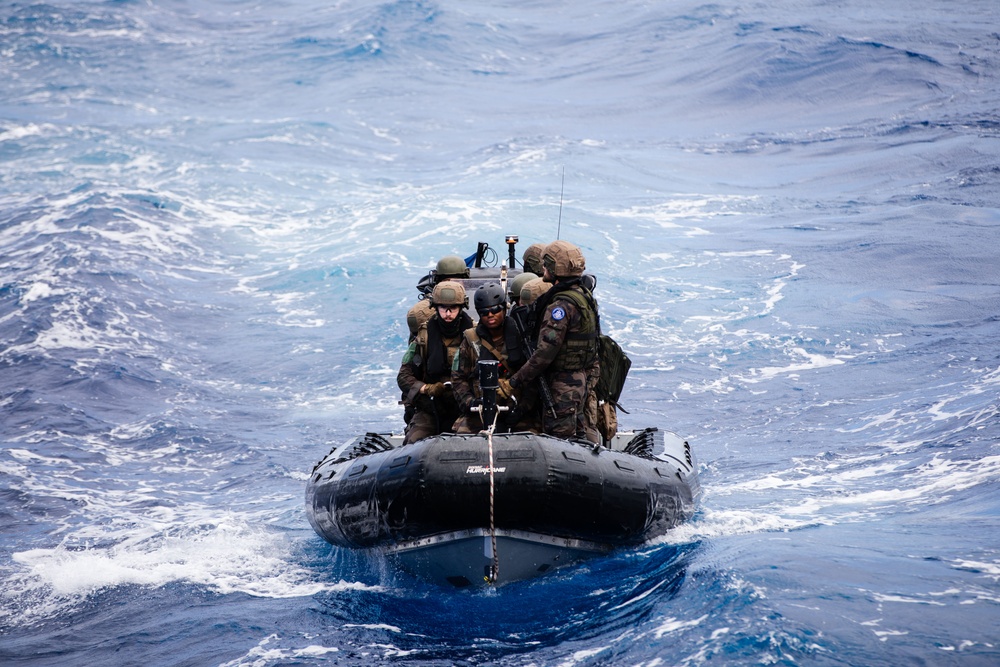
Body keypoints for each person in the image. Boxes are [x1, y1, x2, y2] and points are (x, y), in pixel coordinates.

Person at [501, 240, 600, 443]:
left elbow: (544, 354)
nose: (543, 268)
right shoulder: (583, 296)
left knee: (560, 440)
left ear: (556, 268)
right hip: (579, 380)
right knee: (579, 437)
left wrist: (515, 381)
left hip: (562, 385)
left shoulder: (561, 306)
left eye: (547, 264)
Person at [451, 282, 537, 434]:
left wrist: (522, 408)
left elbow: (533, 376)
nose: (490, 315)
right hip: (480, 411)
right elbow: (458, 378)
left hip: (518, 410)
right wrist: (471, 402)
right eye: (484, 312)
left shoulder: (521, 338)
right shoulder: (470, 340)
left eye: (495, 309)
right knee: (462, 438)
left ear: (504, 308)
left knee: (531, 437)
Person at [397, 280, 474, 444]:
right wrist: (427, 389)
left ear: (461, 308)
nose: (447, 314)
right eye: (443, 308)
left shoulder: (475, 336)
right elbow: (404, 375)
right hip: (432, 407)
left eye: (452, 309)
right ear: (435, 307)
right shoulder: (424, 337)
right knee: (413, 441)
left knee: (469, 442)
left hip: (466, 406)